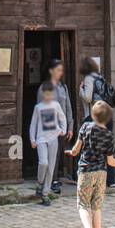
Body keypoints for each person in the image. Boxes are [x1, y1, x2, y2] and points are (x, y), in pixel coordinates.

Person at [67, 99, 115, 228]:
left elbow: (76, 150)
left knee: (83, 205)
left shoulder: (86, 128)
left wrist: (70, 153)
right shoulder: (109, 136)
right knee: (96, 206)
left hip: (86, 171)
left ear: (92, 115)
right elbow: (110, 161)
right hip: (102, 173)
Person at [79, 56, 115, 187]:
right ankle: (111, 180)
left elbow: (88, 97)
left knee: (90, 148)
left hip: (94, 117)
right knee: (107, 149)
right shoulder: (101, 77)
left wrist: (81, 90)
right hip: (107, 116)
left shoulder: (88, 79)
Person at [37, 58, 73, 194]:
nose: (61, 73)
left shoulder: (63, 87)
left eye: (61, 70)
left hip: (60, 128)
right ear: (51, 71)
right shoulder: (43, 88)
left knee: (57, 155)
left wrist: (70, 126)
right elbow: (39, 108)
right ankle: (46, 182)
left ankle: (54, 180)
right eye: (58, 70)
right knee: (46, 157)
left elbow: (68, 107)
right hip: (48, 128)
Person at [29, 82, 68, 206]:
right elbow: (33, 124)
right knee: (43, 162)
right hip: (41, 139)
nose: (48, 96)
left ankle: (45, 194)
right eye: (46, 94)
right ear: (43, 94)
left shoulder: (56, 105)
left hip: (53, 138)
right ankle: (40, 182)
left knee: (51, 167)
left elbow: (62, 118)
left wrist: (63, 130)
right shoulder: (38, 107)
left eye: (51, 94)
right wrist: (32, 139)